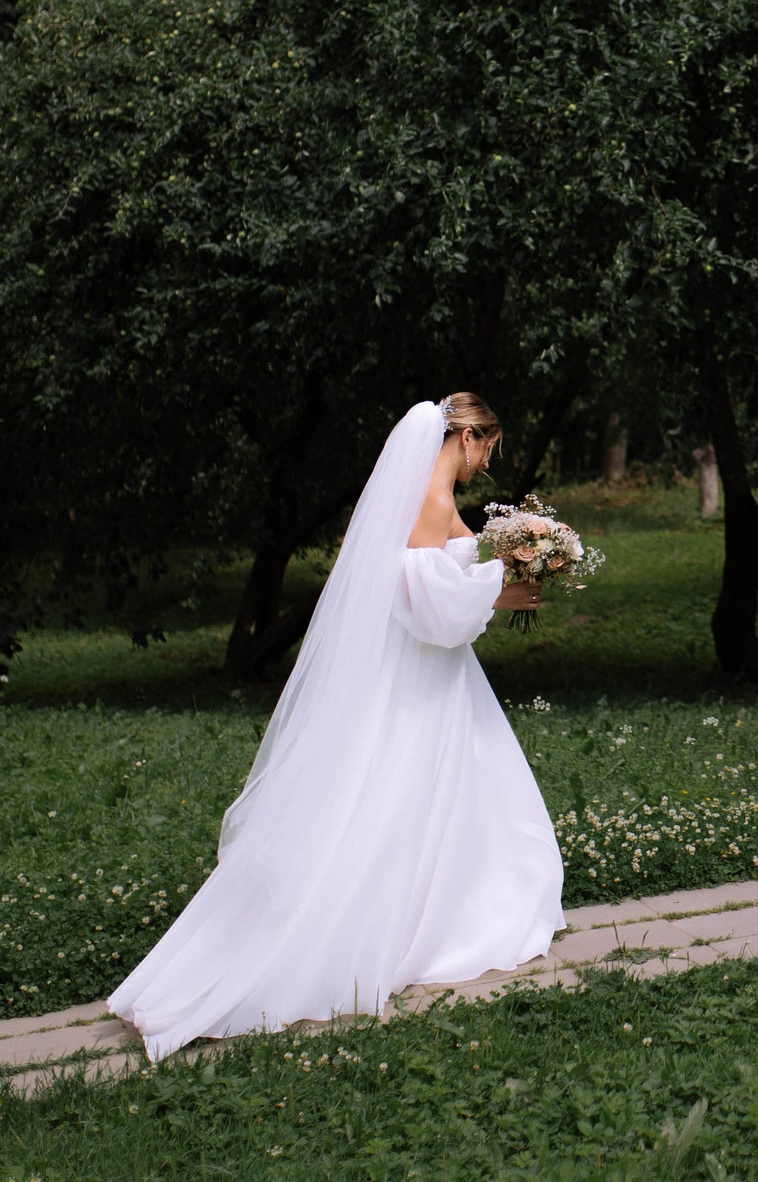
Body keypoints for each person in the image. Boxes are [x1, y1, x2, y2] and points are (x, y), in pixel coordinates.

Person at [109, 394, 564, 1060]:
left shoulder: (430, 495)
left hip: (435, 677)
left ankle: (448, 901)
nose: (487, 462)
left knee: (454, 794)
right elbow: (430, 606)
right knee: (401, 797)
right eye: (487, 447)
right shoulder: (431, 500)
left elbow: (444, 567)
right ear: (466, 437)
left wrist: (525, 552)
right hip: (420, 679)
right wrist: (503, 589)